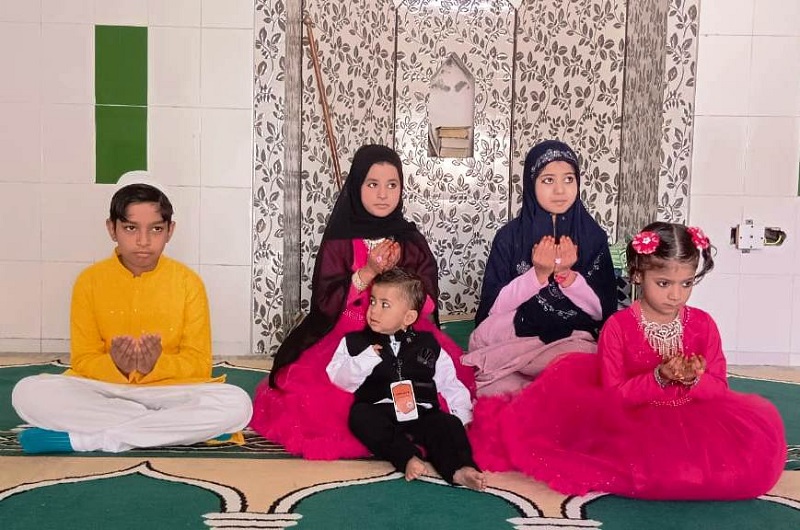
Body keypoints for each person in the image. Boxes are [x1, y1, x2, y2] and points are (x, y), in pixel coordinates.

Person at [475, 222, 786, 500]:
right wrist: (659, 377)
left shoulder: (703, 325)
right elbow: (615, 396)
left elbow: (719, 387)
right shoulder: (619, 327)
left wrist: (694, 379)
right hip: (631, 420)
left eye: (686, 283)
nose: (676, 295)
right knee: (645, 468)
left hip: (693, 416)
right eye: (663, 283)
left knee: (746, 464)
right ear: (638, 274)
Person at [250, 144, 474, 459]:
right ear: (357, 186)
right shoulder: (340, 240)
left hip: (404, 331)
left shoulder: (410, 239)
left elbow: (427, 303)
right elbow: (325, 303)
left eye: (392, 185)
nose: (383, 194)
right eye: (372, 184)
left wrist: (399, 280)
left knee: (437, 381)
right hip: (346, 331)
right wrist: (368, 272)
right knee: (316, 398)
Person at [11, 174, 253, 454]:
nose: (143, 241)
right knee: (27, 393)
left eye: (156, 229)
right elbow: (84, 358)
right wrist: (118, 367)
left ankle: (91, 439)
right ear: (111, 229)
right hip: (105, 389)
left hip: (171, 390)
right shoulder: (89, 281)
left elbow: (198, 363)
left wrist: (156, 366)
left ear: (170, 230)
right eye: (130, 228)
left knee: (237, 403)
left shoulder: (188, 283)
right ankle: (176, 428)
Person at [462, 140, 617, 397]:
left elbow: (602, 312)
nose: (560, 190)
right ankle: (538, 389)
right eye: (548, 180)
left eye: (569, 179)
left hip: (572, 339)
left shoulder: (592, 237)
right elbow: (493, 309)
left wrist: (567, 276)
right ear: (531, 184)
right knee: (487, 356)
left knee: (580, 363)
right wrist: (538, 275)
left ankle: (537, 389)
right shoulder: (510, 237)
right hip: (516, 333)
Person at [327, 268, 486, 490]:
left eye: (385, 305)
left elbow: (450, 383)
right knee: (360, 417)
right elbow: (338, 378)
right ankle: (406, 457)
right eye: (373, 301)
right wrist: (364, 359)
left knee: (447, 425)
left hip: (421, 411)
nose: (374, 310)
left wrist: (463, 415)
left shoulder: (427, 344)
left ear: (408, 317)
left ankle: (460, 469)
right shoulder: (355, 342)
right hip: (379, 409)